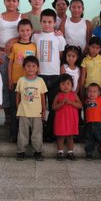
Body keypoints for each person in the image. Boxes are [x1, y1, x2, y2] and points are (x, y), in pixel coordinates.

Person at [0, 0, 27, 127]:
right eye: (8, 0)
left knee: (18, 84)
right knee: (5, 85)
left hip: (19, 54)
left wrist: (13, 40)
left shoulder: (22, 16)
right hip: (2, 55)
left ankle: (18, 114)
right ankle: (7, 116)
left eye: (14, 0)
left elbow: (26, 32)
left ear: (18, 3)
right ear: (4, 2)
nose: (11, 3)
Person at [32, 9, 66, 142]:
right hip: (39, 76)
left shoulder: (59, 37)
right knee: (38, 107)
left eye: (49, 22)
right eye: (44, 22)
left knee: (53, 106)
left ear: (54, 23)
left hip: (54, 76)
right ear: (40, 22)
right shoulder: (35, 37)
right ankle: (37, 133)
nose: (47, 24)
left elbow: (61, 56)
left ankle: (50, 133)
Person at [7, 19, 36, 143]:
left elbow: (36, 64)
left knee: (28, 108)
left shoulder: (34, 46)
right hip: (15, 81)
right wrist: (9, 79)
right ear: (18, 31)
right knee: (15, 108)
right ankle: (14, 134)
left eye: (28, 30)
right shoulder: (15, 46)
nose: (25, 33)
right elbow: (10, 64)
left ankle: (28, 134)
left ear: (32, 31)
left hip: (29, 83)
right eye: (22, 30)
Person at [15, 56, 47, 161]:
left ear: (37, 68)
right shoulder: (21, 80)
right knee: (22, 133)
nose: (31, 68)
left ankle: (37, 152)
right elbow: (18, 96)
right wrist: (18, 108)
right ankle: (21, 152)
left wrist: (44, 110)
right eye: (28, 66)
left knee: (37, 133)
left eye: (33, 66)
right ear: (24, 67)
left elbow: (43, 96)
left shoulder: (40, 80)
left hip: (37, 113)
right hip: (24, 112)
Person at [52, 74, 82, 161]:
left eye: (68, 84)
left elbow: (80, 105)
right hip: (61, 120)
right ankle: (60, 152)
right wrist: (61, 103)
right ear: (59, 86)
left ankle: (70, 152)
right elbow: (54, 107)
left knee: (70, 137)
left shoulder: (74, 95)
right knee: (60, 137)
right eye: (63, 84)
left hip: (71, 120)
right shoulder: (58, 95)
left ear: (72, 85)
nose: (66, 86)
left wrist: (71, 102)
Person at [84, 83, 101, 160]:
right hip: (89, 123)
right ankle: (89, 153)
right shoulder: (86, 100)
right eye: (90, 91)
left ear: (99, 93)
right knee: (89, 139)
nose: (92, 93)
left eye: (94, 92)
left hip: (99, 123)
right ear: (87, 92)